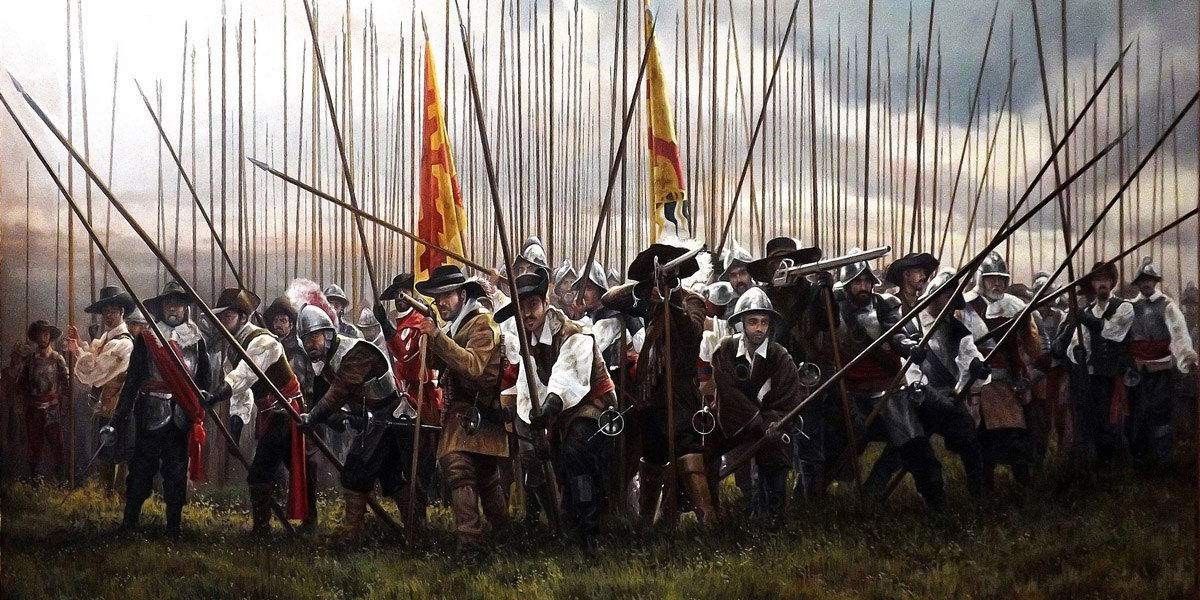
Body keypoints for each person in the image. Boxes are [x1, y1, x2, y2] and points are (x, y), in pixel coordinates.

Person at [496, 271, 616, 551]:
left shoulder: (572, 333)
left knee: (575, 451)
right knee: (538, 455)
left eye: (532, 305)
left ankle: (590, 532)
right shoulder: (528, 341)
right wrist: (532, 417)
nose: (527, 314)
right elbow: (527, 384)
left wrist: (549, 406)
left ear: (546, 303)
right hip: (559, 411)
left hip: (593, 405)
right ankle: (562, 522)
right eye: (521, 308)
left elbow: (567, 376)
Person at [605, 243, 716, 528]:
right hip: (652, 394)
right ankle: (647, 522)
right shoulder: (650, 304)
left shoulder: (691, 301)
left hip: (681, 393)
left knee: (688, 452)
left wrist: (670, 303)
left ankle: (707, 519)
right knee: (653, 455)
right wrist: (645, 290)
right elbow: (610, 299)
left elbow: (692, 333)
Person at [830, 253, 944, 511]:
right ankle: (820, 494)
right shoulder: (833, 307)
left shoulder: (884, 306)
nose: (863, 287)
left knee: (913, 442)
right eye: (856, 282)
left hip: (885, 390)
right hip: (849, 393)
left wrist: (910, 347)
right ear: (846, 285)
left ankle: (933, 499)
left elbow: (897, 333)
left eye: (866, 281)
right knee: (841, 442)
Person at [298, 294, 411, 540]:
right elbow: (333, 400)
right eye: (305, 340)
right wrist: (331, 417)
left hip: (388, 418)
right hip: (373, 420)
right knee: (391, 478)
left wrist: (313, 417)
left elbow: (339, 392)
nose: (310, 345)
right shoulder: (326, 362)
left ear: (328, 334)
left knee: (355, 472)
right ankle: (415, 531)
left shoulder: (355, 352)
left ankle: (352, 533)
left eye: (314, 337)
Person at [103, 281, 210, 538]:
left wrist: (202, 400)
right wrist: (117, 419)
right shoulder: (148, 339)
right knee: (140, 471)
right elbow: (132, 381)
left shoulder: (196, 340)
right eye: (168, 303)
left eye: (178, 303)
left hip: (181, 415)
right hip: (149, 414)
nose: (173, 308)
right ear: (161, 307)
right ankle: (129, 524)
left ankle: (173, 527)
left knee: (176, 473)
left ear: (185, 308)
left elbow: (204, 380)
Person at [415, 265, 511, 551]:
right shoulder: (455, 326)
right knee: (479, 474)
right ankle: (500, 534)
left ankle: (471, 541)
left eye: (446, 295)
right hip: (464, 412)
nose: (441, 302)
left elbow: (473, 366)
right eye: (437, 298)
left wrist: (437, 336)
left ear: (462, 294)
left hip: (481, 410)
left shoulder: (482, 324)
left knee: (463, 468)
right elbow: (437, 363)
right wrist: (431, 338)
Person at [205, 288, 309, 536]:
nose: (223, 321)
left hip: (286, 411)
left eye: (228, 316)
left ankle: (264, 529)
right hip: (270, 413)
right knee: (291, 466)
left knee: (263, 471)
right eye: (221, 316)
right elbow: (242, 394)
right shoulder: (234, 346)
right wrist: (235, 424)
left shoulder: (263, 341)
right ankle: (281, 524)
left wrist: (217, 395)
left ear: (243, 317)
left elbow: (244, 376)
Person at [711, 287, 805, 522]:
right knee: (711, 454)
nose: (759, 328)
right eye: (753, 322)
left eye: (764, 322)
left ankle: (774, 517)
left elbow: (788, 398)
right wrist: (756, 421)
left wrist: (773, 423)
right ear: (742, 323)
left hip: (771, 427)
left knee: (776, 463)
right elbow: (728, 393)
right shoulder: (725, 349)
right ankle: (719, 513)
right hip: (734, 425)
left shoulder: (780, 357)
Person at [963, 252, 1042, 487]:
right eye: (991, 278)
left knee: (1016, 434)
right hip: (976, 382)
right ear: (981, 280)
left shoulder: (1016, 306)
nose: (997, 283)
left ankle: (1024, 488)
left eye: (1001, 279)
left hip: (1008, 381)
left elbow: (1031, 345)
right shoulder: (965, 306)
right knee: (982, 438)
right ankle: (982, 489)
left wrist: (1025, 374)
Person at [373, 272, 441, 530]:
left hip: (423, 399)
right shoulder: (402, 324)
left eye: (405, 293)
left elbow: (407, 358)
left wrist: (386, 326)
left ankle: (420, 518)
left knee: (420, 462)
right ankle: (413, 517)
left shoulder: (420, 322)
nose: (400, 299)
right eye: (396, 295)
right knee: (404, 460)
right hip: (405, 398)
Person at [1125, 259, 1197, 469]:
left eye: (1150, 280)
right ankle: (1139, 459)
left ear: (1155, 282)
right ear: (1138, 283)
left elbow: (1179, 335)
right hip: (1137, 371)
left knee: (1161, 413)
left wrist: (1187, 360)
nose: (1146, 284)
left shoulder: (1167, 305)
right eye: (1142, 280)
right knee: (1137, 413)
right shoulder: (1130, 307)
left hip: (1161, 370)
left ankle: (1163, 459)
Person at [66, 286, 136, 493]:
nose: (108, 315)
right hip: (105, 406)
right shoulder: (106, 337)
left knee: (119, 453)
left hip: (119, 406)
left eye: (113, 311)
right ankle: (107, 497)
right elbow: (94, 355)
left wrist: (76, 351)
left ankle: (119, 498)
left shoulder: (124, 343)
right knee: (106, 452)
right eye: (105, 311)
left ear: (122, 311)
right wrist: (80, 343)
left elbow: (95, 372)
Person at [1064, 261, 1134, 466]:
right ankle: (1099, 466)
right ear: (1093, 285)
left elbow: (1112, 331)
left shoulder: (1124, 307)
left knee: (1118, 423)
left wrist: (1083, 318)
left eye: (1106, 279)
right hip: (1094, 377)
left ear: (1112, 282)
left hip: (1118, 377)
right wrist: (1077, 352)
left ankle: (1121, 465)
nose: (1102, 283)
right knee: (1093, 421)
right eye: (1097, 280)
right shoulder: (1087, 311)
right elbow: (1078, 342)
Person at [16, 320, 70, 480]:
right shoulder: (29, 360)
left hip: (53, 409)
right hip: (34, 410)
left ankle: (60, 481)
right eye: (40, 334)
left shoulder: (58, 359)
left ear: (50, 336)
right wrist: (24, 403)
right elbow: (21, 384)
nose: (43, 337)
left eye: (46, 334)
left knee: (57, 446)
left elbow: (66, 385)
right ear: (36, 336)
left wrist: (64, 406)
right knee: (34, 446)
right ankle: (34, 480)